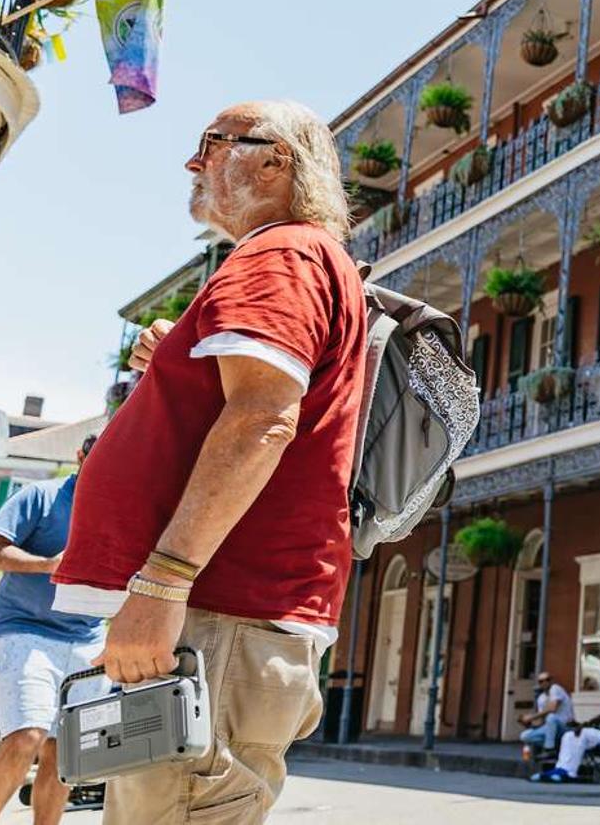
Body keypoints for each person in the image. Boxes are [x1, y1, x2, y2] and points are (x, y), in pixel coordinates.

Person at [52, 101, 365, 825]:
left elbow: (261, 419)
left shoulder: (281, 252)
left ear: (273, 161)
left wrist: (163, 583)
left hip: (217, 616)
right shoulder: (299, 258)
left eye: (211, 144)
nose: (194, 164)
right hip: (223, 616)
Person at [0, 437, 106, 825]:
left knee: (65, 753)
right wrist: (49, 564)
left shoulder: (122, 509)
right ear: (80, 455)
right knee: (27, 736)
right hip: (23, 630)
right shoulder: (42, 495)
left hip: (88, 639)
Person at [534, 670, 600, 782]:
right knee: (569, 735)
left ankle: (570, 773)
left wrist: (584, 725)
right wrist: (578, 725)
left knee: (583, 733)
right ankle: (560, 769)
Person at [516, 669, 575, 757]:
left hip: (564, 726)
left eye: (547, 679)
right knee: (524, 735)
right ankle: (556, 747)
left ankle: (549, 750)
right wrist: (528, 722)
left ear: (551, 680)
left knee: (551, 717)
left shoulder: (556, 688)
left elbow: (553, 708)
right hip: (550, 728)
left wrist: (531, 717)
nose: (544, 682)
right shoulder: (541, 698)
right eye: (541, 681)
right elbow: (541, 719)